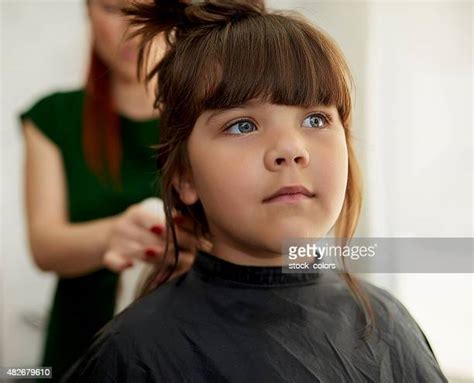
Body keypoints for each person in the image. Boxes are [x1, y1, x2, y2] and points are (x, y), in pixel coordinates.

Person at [61, 0, 448, 382]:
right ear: (185, 176)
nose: (291, 149)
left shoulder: (389, 323)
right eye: (243, 125)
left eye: (315, 119)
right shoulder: (132, 353)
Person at [19, 0, 202, 381]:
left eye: (149, 8)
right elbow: (45, 245)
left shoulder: (206, 117)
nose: (133, 26)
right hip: (77, 347)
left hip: (186, 346)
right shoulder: (53, 118)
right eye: (114, 8)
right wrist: (116, 233)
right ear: (87, 11)